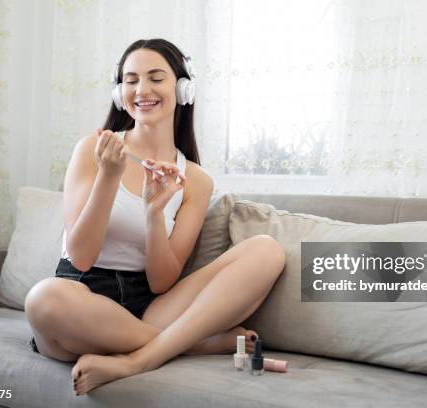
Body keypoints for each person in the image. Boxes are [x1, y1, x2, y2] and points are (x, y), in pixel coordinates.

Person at [24, 38, 286, 396]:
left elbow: (162, 282)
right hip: (80, 298)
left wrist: (154, 213)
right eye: (130, 80)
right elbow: (81, 255)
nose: (142, 90)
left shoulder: (195, 179)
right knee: (43, 299)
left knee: (266, 250)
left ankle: (138, 359)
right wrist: (109, 176)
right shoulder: (93, 148)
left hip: (147, 305)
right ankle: (192, 343)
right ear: (120, 93)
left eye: (155, 78)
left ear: (182, 88)